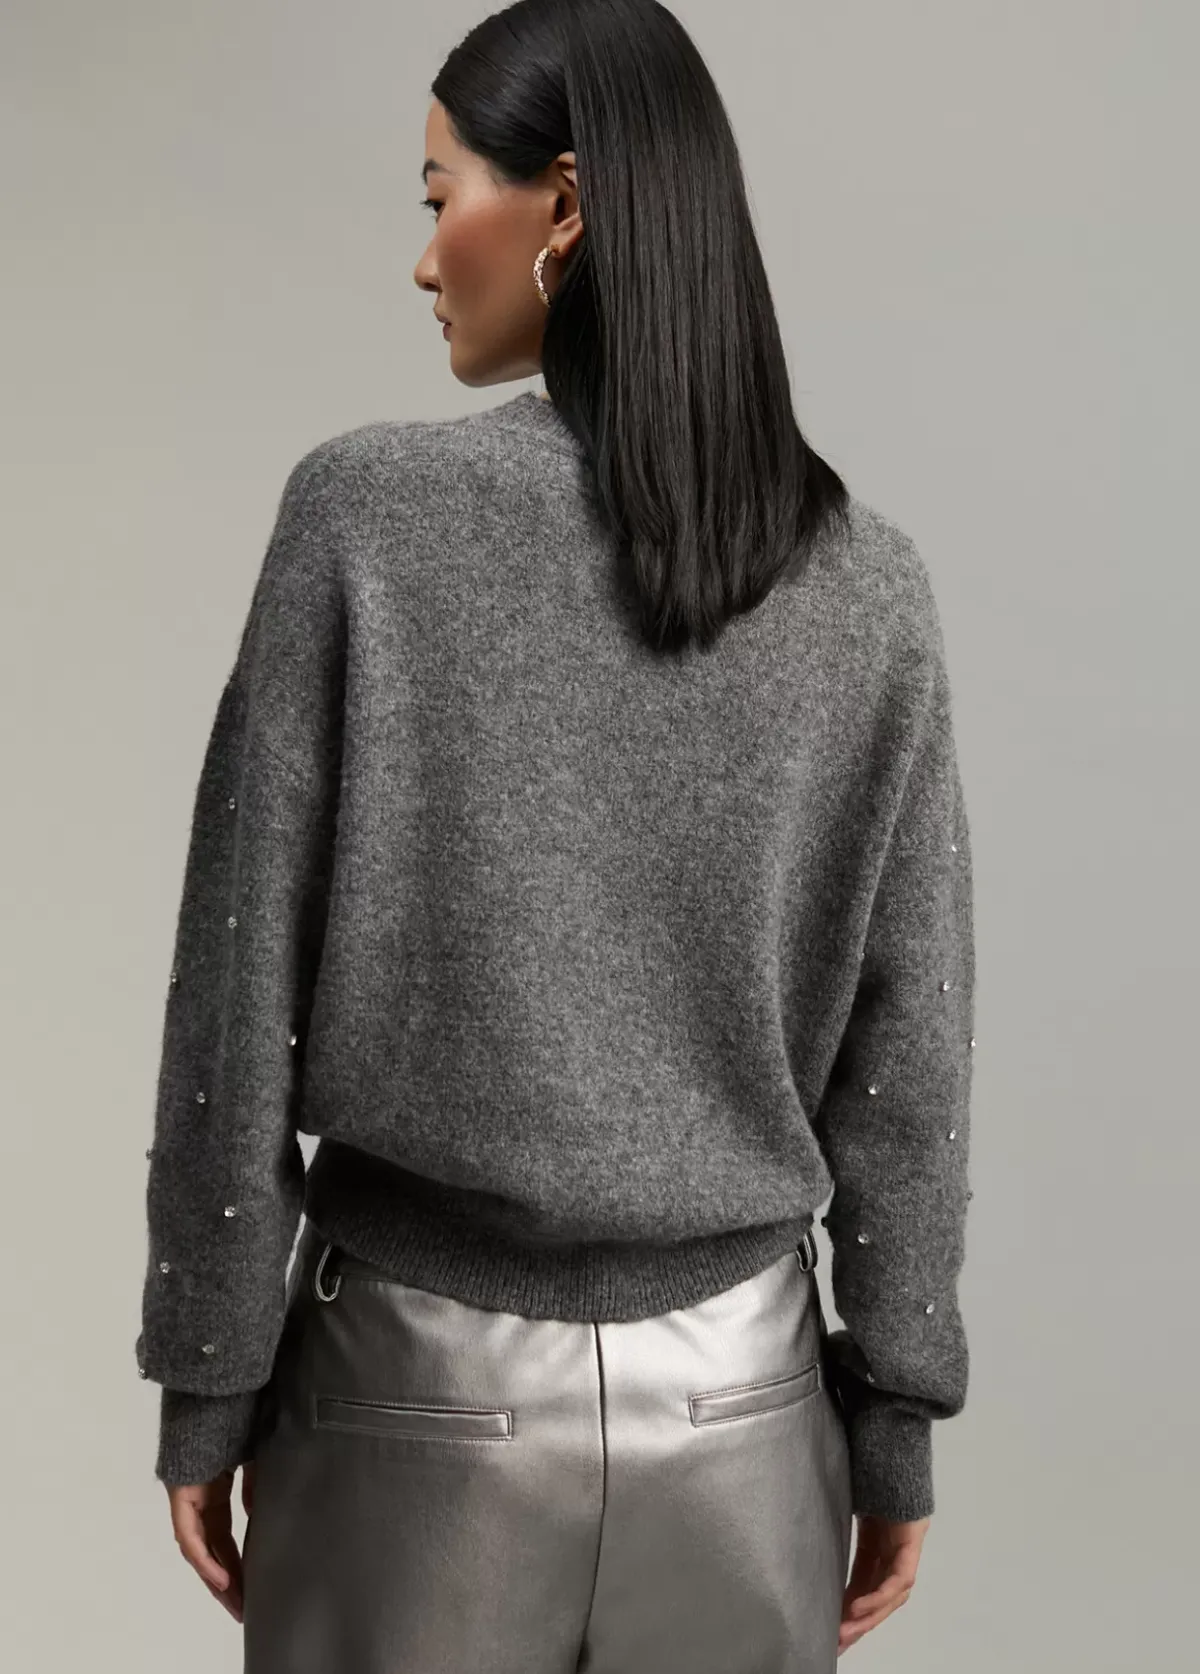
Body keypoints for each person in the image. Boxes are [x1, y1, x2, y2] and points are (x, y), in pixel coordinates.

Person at [134, 1, 977, 1668]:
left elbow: (237, 987)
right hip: (746, 1415)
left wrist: (210, 1379)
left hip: (407, 1404)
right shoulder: (870, 585)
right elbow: (910, 1062)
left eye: (439, 195)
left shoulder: (362, 517)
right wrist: (894, 1418)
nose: (424, 256)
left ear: (567, 207)